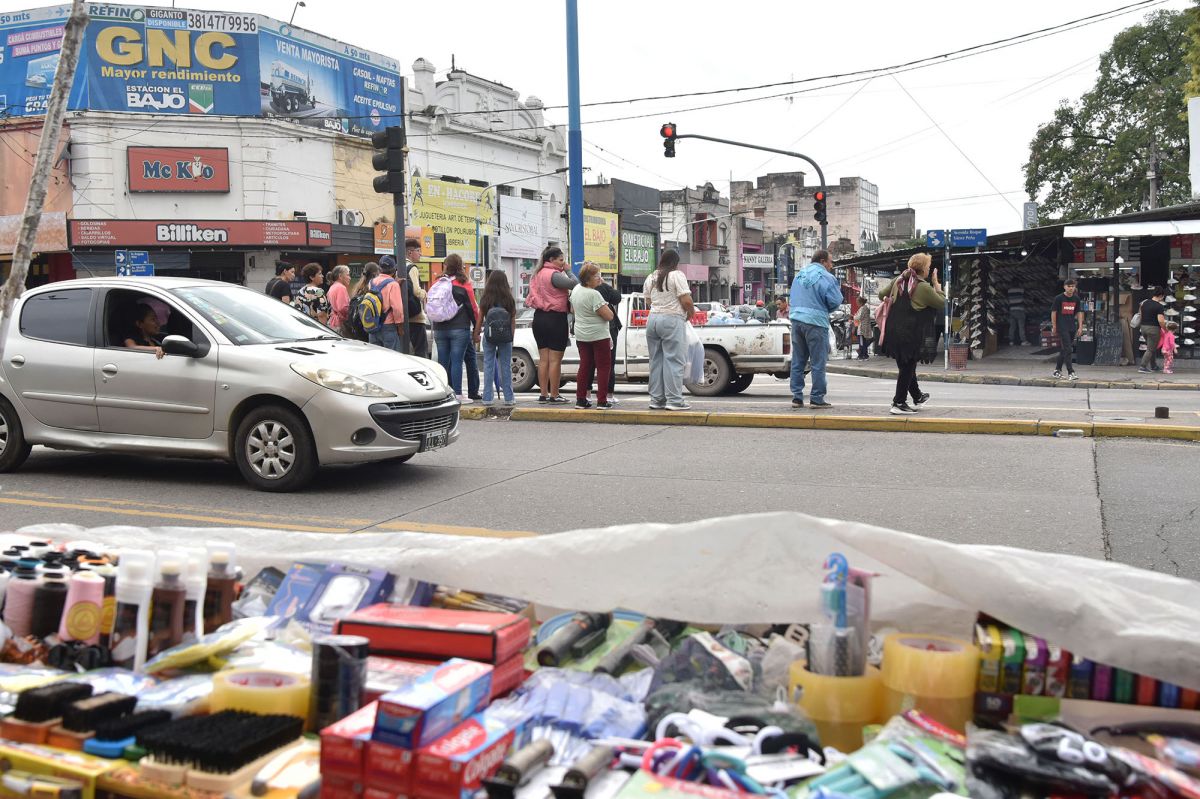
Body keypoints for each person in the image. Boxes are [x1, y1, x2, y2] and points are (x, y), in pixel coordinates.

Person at [877, 252, 944, 415]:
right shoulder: (922, 287)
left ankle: (917, 396)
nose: (929, 270)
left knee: (906, 365)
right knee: (907, 367)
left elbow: (880, 295)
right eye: (928, 267)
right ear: (923, 269)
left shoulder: (898, 280)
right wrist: (937, 286)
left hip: (893, 331)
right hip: (910, 333)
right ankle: (898, 402)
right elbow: (941, 303)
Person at [788, 249, 842, 409]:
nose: (831, 265)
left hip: (796, 320)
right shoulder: (827, 277)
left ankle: (797, 398)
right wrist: (824, 308)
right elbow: (835, 301)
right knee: (818, 362)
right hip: (816, 322)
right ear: (823, 261)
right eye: (830, 262)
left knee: (798, 360)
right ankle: (817, 398)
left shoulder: (799, 275)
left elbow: (792, 297)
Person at [525, 246, 577, 403]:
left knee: (543, 359)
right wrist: (568, 270)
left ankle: (543, 394)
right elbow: (575, 284)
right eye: (561, 260)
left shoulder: (537, 274)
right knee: (555, 360)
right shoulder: (554, 275)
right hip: (555, 318)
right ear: (551, 260)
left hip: (539, 318)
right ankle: (554, 394)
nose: (563, 263)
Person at [643, 249, 694, 411]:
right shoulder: (676, 275)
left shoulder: (651, 277)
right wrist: (691, 313)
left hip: (653, 320)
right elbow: (686, 300)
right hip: (672, 319)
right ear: (675, 262)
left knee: (656, 361)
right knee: (674, 361)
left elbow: (648, 300)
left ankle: (657, 399)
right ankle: (674, 400)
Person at [431, 254, 481, 402]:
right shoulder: (463, 284)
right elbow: (473, 308)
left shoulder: (438, 282)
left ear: (446, 266)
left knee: (443, 362)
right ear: (460, 266)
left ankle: (443, 394)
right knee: (457, 361)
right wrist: (477, 327)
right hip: (459, 329)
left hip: (439, 328)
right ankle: (458, 394)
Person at [570, 263, 616, 409]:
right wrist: (606, 306)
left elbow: (572, 309)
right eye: (596, 276)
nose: (599, 278)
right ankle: (602, 400)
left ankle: (580, 399)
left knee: (584, 365)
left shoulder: (576, 289)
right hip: (598, 335)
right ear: (588, 279)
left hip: (581, 334)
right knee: (603, 367)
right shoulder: (594, 294)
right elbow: (609, 316)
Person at [479, 270, 516, 406]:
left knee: (488, 365)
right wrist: (511, 337)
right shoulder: (509, 299)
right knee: (505, 366)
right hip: (505, 336)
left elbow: (480, 318)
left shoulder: (486, 299)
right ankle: (509, 398)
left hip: (489, 336)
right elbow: (513, 320)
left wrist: (476, 333)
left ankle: (487, 398)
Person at [368, 257, 405, 352]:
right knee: (392, 356)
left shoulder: (371, 282)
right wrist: (400, 326)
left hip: (373, 324)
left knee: (376, 356)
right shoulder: (393, 285)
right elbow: (397, 308)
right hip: (388, 325)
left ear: (380, 268)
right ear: (394, 270)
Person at [595, 277, 622, 404]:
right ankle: (608, 395)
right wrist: (605, 284)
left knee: (587, 364)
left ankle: (585, 395)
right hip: (607, 329)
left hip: (585, 329)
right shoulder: (603, 288)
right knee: (608, 363)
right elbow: (617, 298)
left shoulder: (579, 289)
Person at [1051, 279, 1084, 381]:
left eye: (1072, 286)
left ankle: (1057, 370)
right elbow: (1054, 312)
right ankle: (1071, 372)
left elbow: (1079, 312)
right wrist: (1054, 326)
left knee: (1065, 349)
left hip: (1072, 326)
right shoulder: (1059, 298)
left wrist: (1080, 326)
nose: (1071, 288)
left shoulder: (1076, 298)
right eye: (1069, 286)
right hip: (1062, 326)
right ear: (1064, 287)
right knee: (1068, 349)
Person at [404, 239, 429, 359]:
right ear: (410, 252)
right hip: (416, 317)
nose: (420, 254)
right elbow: (416, 291)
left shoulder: (398, 266)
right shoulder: (412, 268)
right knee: (421, 351)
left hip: (404, 316)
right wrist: (425, 293)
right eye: (418, 251)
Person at [1139, 287, 1168, 373]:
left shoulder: (1144, 303)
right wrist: (1166, 330)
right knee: (1150, 349)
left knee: (1152, 347)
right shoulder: (1159, 306)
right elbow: (1161, 321)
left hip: (1143, 327)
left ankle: (1153, 366)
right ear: (1161, 296)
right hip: (1153, 329)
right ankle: (1142, 367)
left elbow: (1141, 315)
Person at [326, 265, 351, 332]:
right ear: (340, 276)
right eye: (348, 275)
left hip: (332, 322)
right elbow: (343, 308)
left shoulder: (333, 286)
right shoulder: (341, 287)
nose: (350, 278)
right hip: (340, 324)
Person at [855, 295, 874, 360]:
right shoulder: (865, 308)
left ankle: (862, 355)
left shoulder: (863, 309)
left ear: (860, 302)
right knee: (864, 342)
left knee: (862, 343)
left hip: (862, 329)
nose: (856, 304)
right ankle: (865, 355)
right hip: (864, 328)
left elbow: (859, 317)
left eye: (857, 302)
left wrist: (853, 316)